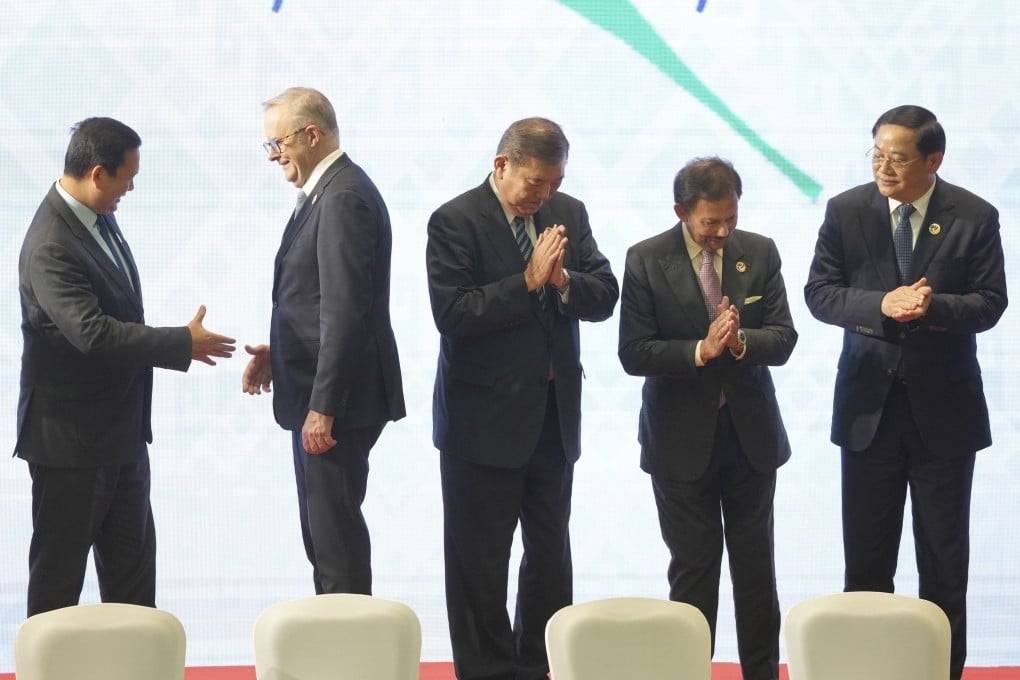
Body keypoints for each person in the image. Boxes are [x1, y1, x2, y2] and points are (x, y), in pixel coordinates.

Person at [804, 105, 1007, 680]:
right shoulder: (847, 210)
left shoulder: (973, 215)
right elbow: (820, 292)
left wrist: (931, 306)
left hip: (944, 417)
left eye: (897, 157)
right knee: (866, 563)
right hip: (868, 412)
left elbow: (991, 303)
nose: (883, 167)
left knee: (944, 564)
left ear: (932, 160)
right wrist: (880, 305)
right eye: (876, 153)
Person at [16, 117, 236, 617]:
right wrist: (181, 343)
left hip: (121, 440)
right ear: (97, 173)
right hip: (71, 448)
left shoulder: (95, 217)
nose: (131, 188)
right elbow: (91, 333)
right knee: (57, 592)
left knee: (134, 588)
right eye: (126, 177)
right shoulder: (51, 242)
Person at [426, 117, 618, 680]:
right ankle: (486, 671)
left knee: (549, 559)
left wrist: (562, 283)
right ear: (501, 164)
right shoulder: (455, 220)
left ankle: (538, 667)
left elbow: (604, 293)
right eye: (535, 182)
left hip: (552, 422)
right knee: (478, 566)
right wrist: (527, 282)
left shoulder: (569, 214)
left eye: (554, 182)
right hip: (479, 425)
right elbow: (452, 314)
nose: (544, 194)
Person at [618, 157, 796, 680]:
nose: (721, 232)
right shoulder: (647, 259)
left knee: (755, 572)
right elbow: (634, 352)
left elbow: (783, 338)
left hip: (751, 438)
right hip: (679, 442)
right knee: (694, 572)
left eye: (730, 220)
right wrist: (700, 349)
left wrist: (740, 342)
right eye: (709, 222)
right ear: (681, 212)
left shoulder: (759, 252)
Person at [242, 87, 405, 595]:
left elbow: (346, 310)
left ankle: (352, 659)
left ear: (312, 135)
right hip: (320, 390)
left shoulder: (343, 196)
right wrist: (280, 351)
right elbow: (321, 304)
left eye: (278, 144)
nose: (274, 156)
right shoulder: (328, 190)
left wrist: (324, 406)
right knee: (324, 536)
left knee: (335, 546)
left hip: (338, 405)